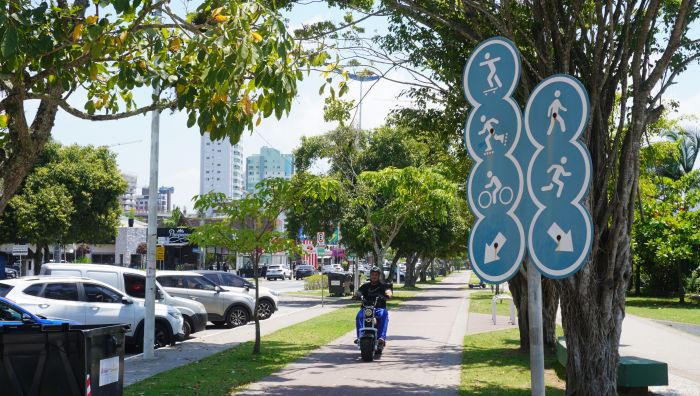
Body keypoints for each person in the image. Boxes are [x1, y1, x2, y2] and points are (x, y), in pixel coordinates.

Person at [354, 267, 393, 348]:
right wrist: (357, 295)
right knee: (359, 316)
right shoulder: (365, 286)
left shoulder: (383, 285)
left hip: (379, 308)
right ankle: (359, 337)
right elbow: (358, 292)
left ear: (379, 276)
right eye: (372, 274)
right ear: (370, 275)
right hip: (366, 309)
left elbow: (388, 291)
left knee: (384, 314)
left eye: (376, 275)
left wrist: (388, 295)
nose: (374, 276)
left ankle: (381, 338)